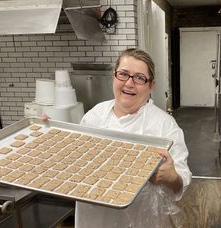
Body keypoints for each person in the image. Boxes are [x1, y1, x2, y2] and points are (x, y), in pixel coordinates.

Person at [72, 48, 191, 227]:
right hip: (94, 218)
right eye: (123, 74)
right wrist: (47, 136)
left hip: (142, 220)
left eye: (139, 78)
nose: (129, 83)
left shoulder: (164, 126)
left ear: (151, 86)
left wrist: (172, 177)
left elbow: (181, 183)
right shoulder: (94, 116)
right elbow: (74, 161)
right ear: (114, 77)